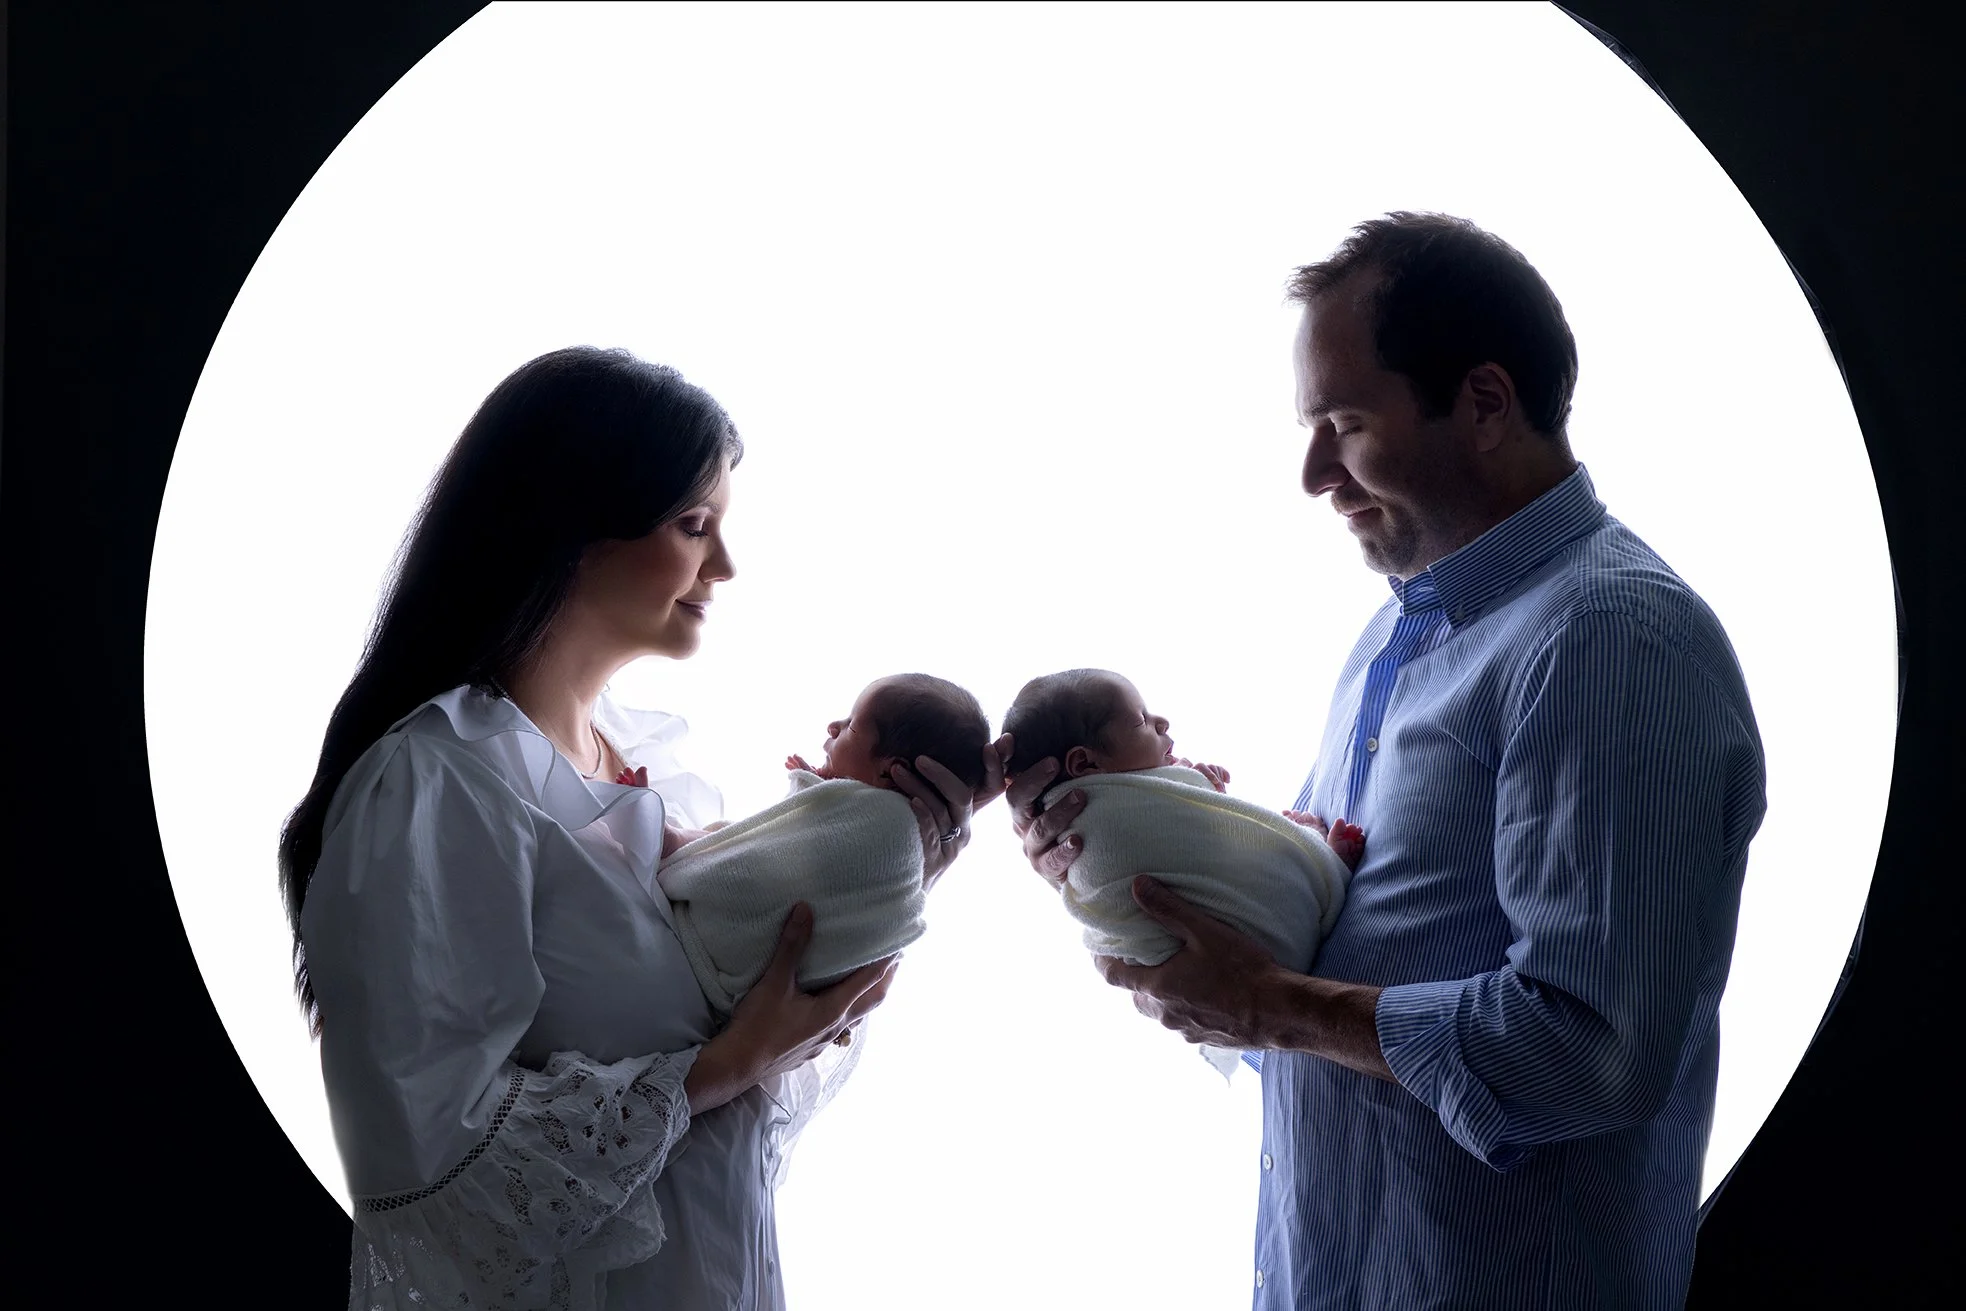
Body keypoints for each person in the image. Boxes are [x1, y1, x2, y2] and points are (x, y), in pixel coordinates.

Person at [1005, 213, 1767, 1309]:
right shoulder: (1396, 641)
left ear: (1486, 404)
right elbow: (1328, 962)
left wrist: (1274, 1005)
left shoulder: (1608, 642)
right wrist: (1127, 867)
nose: (1314, 471)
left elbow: (1592, 1053)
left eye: (1344, 422)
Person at [279, 347, 1003, 1310]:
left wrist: (881, 872)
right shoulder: (439, 780)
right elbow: (428, 1170)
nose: (725, 566)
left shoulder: (655, 770)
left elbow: (744, 1059)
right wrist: (725, 1063)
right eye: (693, 524)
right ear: (570, 525)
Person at [658, 672, 992, 1018]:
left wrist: (811, 791)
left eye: (850, 726)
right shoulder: (904, 837)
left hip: (718, 947)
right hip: (753, 999)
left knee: (726, 845)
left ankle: (677, 846)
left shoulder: (888, 827)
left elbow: (784, 857)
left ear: (891, 772)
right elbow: (802, 841)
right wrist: (817, 792)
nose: (833, 726)